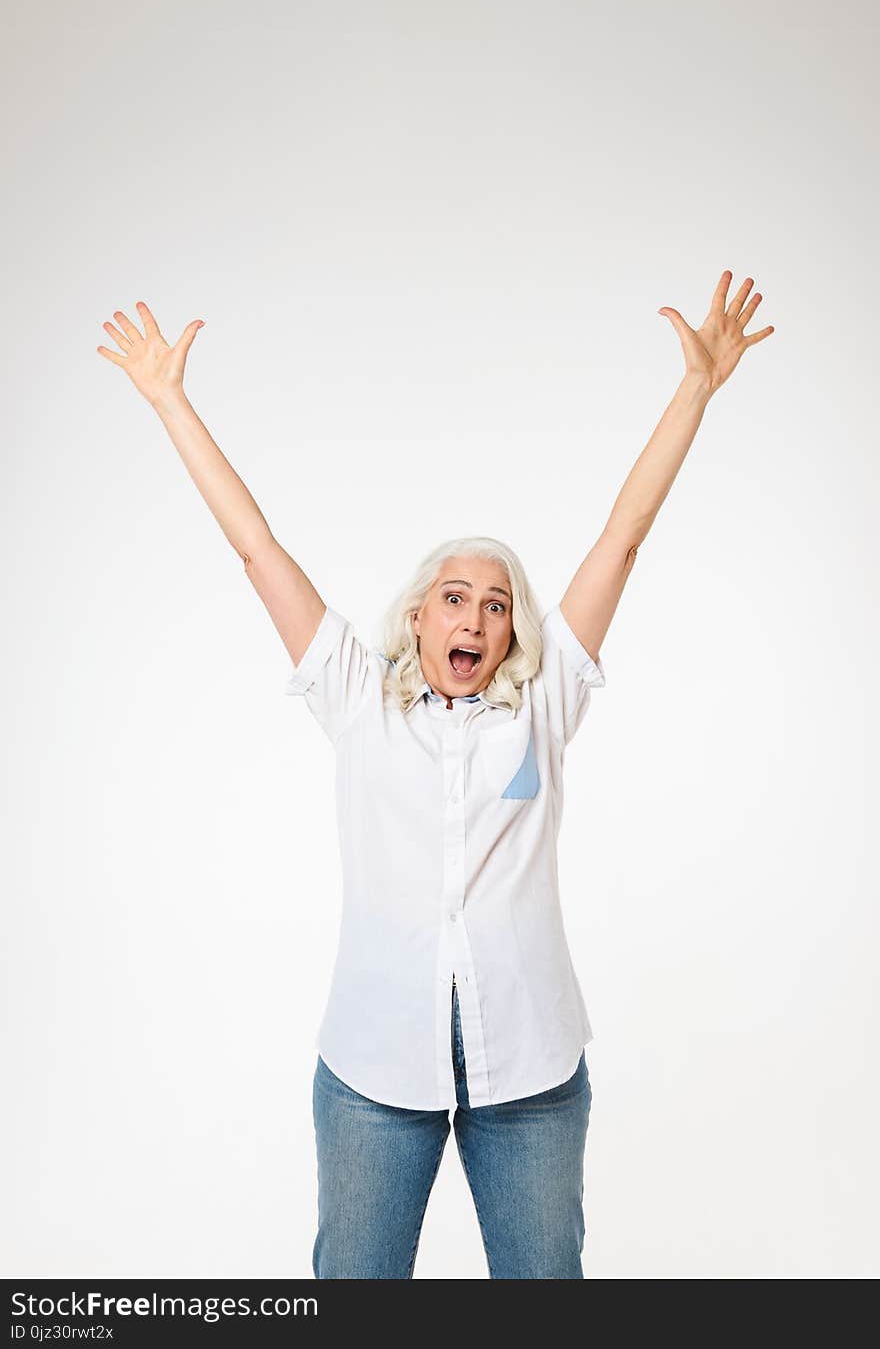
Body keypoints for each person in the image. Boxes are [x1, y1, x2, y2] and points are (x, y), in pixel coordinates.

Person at [97, 271, 774, 1278]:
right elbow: (256, 547)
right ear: (416, 615)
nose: (472, 615)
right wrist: (169, 400)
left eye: (496, 603)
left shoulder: (543, 710)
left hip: (533, 1076)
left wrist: (694, 389)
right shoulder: (356, 700)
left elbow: (620, 540)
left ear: (514, 631)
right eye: (452, 596)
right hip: (371, 1075)